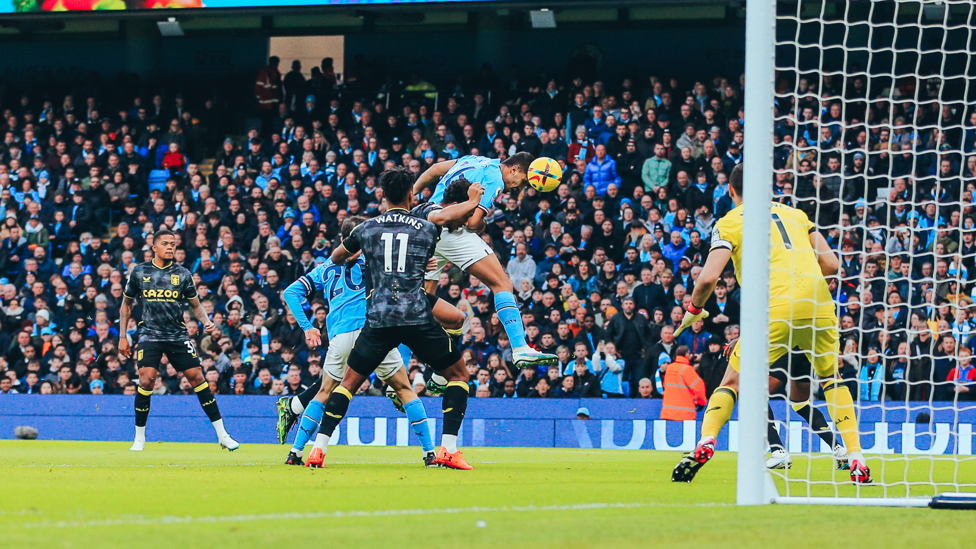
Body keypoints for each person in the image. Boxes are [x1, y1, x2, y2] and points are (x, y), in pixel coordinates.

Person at [671, 164, 871, 485]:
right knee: (832, 380)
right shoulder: (796, 214)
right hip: (818, 303)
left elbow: (708, 277)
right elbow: (832, 264)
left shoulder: (730, 222)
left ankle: (706, 441)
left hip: (774, 307)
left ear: (731, 191)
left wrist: (694, 308)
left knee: (734, 382)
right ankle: (856, 455)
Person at [318, 167, 474, 470]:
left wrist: (358, 253)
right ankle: (448, 449)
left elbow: (337, 256)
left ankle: (318, 450)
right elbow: (447, 219)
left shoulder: (365, 229)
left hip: (379, 317)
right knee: (458, 376)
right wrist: (474, 200)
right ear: (411, 195)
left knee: (347, 384)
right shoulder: (425, 227)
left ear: (382, 195)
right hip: (415, 313)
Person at [412, 153, 558, 368]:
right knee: (502, 284)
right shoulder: (495, 178)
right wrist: (481, 224)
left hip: (426, 226)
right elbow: (472, 223)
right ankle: (519, 348)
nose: (518, 187)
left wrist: (412, 192)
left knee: (423, 303)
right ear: (514, 169)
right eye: (523, 181)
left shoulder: (473, 159)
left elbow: (434, 169)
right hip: (450, 229)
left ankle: (432, 367)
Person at [118, 228, 239, 452]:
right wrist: (122, 336)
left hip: (177, 335)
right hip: (149, 334)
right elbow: (126, 304)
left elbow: (195, 305)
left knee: (197, 377)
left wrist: (206, 321)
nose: (171, 247)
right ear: (154, 248)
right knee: (146, 379)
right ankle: (139, 438)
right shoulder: (139, 272)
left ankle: (223, 435)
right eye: (165, 243)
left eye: (173, 243)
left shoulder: (183, 273)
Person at [659, 346, 706, 421]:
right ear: (686, 354)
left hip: (667, 413)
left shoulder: (669, 368)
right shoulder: (687, 369)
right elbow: (699, 387)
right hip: (685, 414)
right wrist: (701, 402)